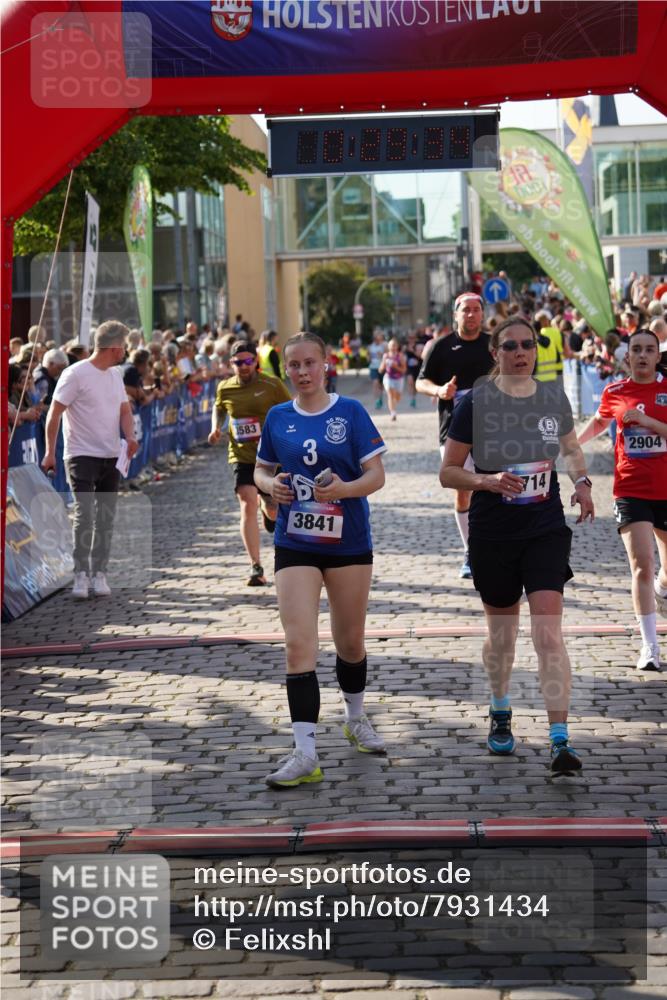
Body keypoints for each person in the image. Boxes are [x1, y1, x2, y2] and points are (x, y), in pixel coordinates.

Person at [441, 316, 594, 776]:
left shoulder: (551, 396)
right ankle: (501, 708)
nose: (521, 352)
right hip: (493, 533)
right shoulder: (475, 402)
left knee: (547, 633)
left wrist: (583, 482)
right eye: (511, 346)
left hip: (544, 528)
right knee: (502, 637)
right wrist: (484, 480)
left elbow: (569, 448)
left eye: (528, 344)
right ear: (496, 353)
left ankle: (559, 741)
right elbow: (449, 471)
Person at [254, 332, 387, 788]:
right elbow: (261, 469)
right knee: (298, 644)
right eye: (294, 365)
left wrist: (344, 490)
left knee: (349, 642)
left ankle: (355, 717)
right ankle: (305, 752)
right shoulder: (277, 417)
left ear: (326, 365)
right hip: (295, 541)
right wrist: (270, 487)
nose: (303, 372)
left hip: (348, 541)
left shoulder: (349, 412)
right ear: (286, 369)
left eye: (311, 362)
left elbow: (376, 475)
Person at [578, 329, 667, 671]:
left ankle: (662, 587)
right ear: (626, 356)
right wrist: (570, 445)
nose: (643, 356)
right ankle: (649, 647)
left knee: (664, 574)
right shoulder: (615, 390)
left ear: (658, 356)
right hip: (630, 488)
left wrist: (647, 421)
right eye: (636, 350)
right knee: (641, 565)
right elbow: (600, 421)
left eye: (649, 350)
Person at [42, 321, 139, 599]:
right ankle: (81, 575)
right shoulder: (75, 373)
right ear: (114, 346)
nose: (126, 350)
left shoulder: (115, 374)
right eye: (124, 345)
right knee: (85, 515)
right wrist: (50, 452)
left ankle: (100, 574)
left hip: (111, 454)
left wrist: (130, 436)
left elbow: (124, 410)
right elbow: (54, 414)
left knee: (105, 518)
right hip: (80, 454)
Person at [416, 292, 493, 579]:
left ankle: (493, 547)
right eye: (466, 310)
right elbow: (420, 381)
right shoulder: (442, 346)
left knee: (494, 489)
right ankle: (470, 551)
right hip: (454, 431)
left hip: (493, 431)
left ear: (482, 315)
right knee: (464, 491)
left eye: (476, 310)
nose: (471, 315)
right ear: (456, 315)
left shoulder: (493, 346)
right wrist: (439, 391)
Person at [208, 340, 291, 586]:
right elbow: (219, 408)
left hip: (271, 456)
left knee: (273, 507)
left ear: (255, 361)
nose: (243, 367)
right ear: (231, 364)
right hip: (241, 455)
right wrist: (215, 428)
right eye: (237, 363)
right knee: (247, 502)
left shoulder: (272, 384)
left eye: (247, 362)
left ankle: (270, 511)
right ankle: (255, 566)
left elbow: (289, 409)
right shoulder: (225, 387)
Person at [379, 337, 407, 421]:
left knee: (397, 397)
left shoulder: (400, 356)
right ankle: (393, 413)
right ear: (388, 346)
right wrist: (384, 364)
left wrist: (396, 366)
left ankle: (393, 407)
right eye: (391, 345)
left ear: (397, 346)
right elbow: (380, 370)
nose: (393, 347)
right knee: (390, 394)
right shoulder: (386, 356)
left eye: (394, 345)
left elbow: (404, 370)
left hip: (399, 379)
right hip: (388, 378)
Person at [368, 330, 387, 409]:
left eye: (379, 337)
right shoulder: (370, 347)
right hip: (373, 367)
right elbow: (368, 357)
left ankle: (380, 398)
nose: (377, 339)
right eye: (376, 337)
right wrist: (369, 358)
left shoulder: (384, 345)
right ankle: (377, 400)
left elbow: (388, 355)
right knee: (375, 383)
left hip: (382, 367)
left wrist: (382, 354)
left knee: (381, 385)